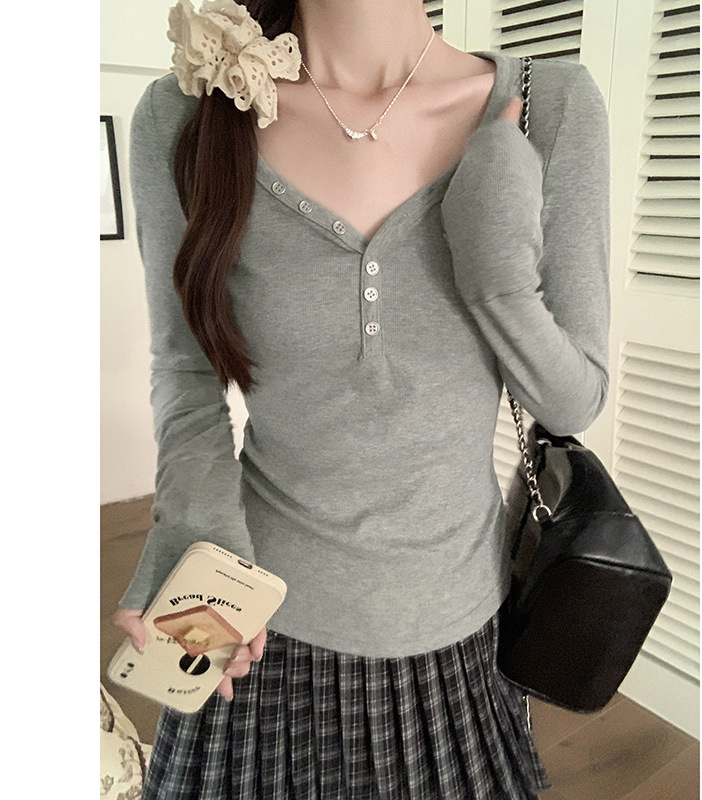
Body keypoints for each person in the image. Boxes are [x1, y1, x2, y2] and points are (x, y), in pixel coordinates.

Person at [113, 0, 610, 797]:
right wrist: (196, 531)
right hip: (259, 629)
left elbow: (573, 399)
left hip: (459, 631)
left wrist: (497, 276)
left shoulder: (548, 105)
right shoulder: (181, 115)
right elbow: (185, 367)